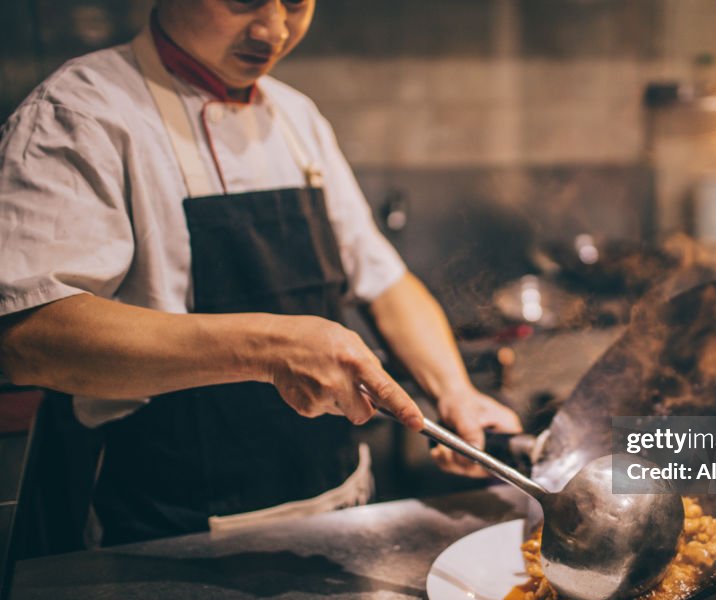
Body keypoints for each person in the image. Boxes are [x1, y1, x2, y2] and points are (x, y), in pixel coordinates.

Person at [0, 0, 521, 544]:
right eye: (244, 0)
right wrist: (271, 348)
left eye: (296, 3)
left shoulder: (297, 118)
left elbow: (385, 282)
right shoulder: (79, 113)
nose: (273, 30)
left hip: (336, 508)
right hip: (162, 534)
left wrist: (455, 391)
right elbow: (30, 336)